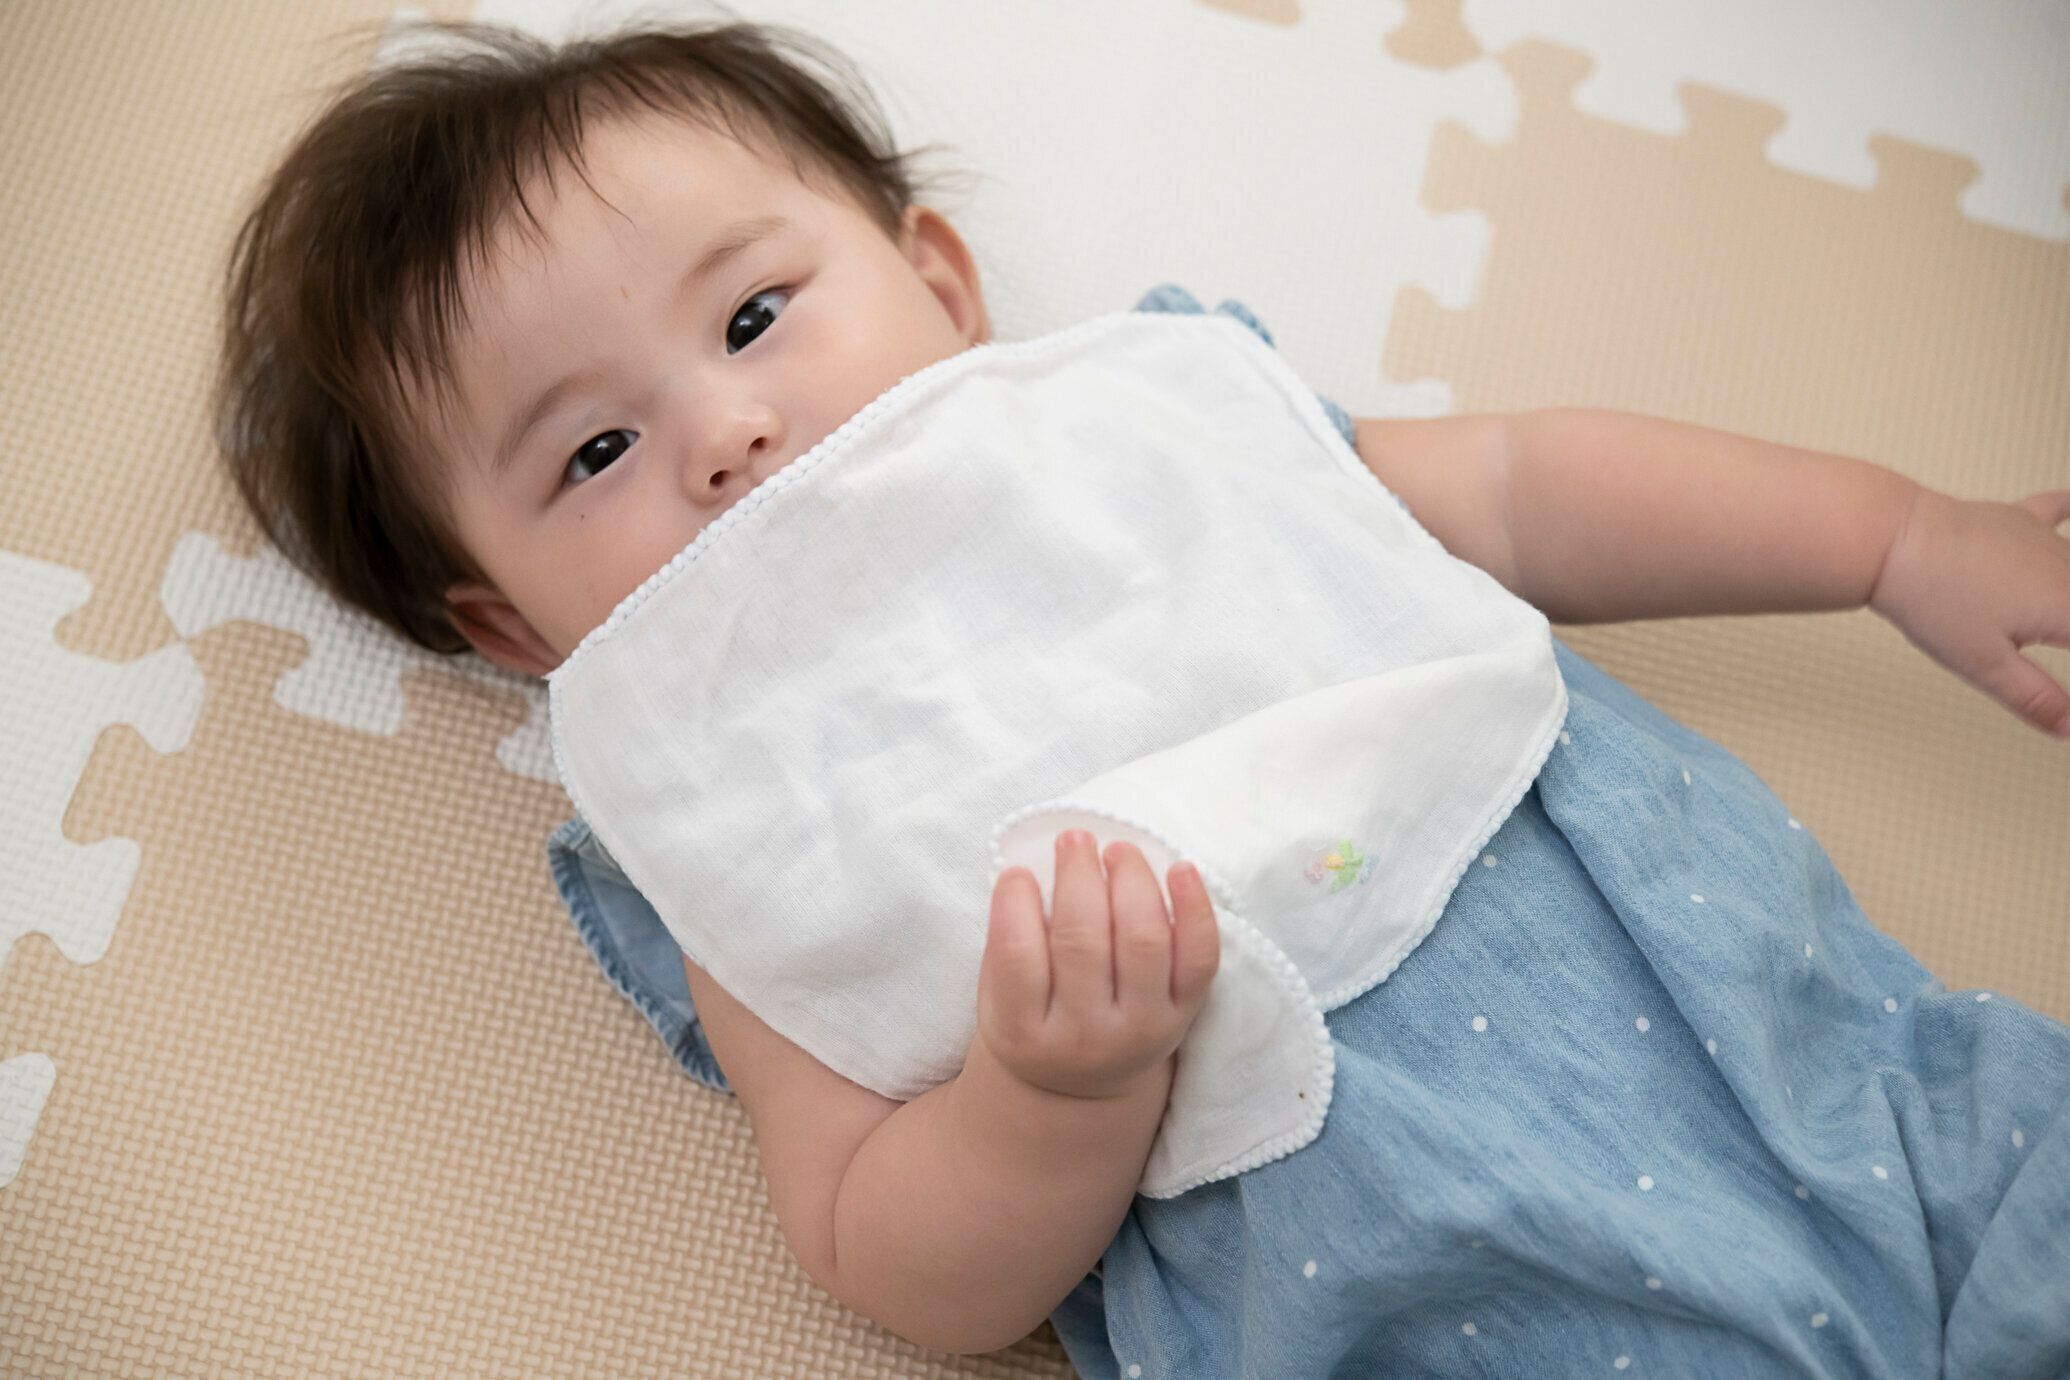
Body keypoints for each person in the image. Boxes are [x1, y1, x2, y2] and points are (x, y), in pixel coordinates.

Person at [215, 17, 2070, 1375]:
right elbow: (880, 1253)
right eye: (593, 451)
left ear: (938, 283)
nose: (725, 431)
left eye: (756, 315)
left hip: (1864, 1105)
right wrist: (1046, 1092)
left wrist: (1890, 538)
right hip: (1443, 1317)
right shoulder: (732, 821)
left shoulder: (1151, 429)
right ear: (514, 627)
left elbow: (1521, 490)